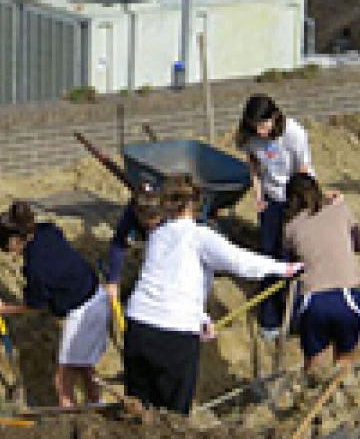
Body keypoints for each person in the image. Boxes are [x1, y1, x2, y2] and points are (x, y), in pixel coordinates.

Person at [124, 174, 303, 415]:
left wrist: (201, 319)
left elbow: (176, 280)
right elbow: (240, 262)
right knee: (172, 416)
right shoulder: (199, 236)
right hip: (173, 335)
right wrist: (285, 268)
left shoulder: (158, 235)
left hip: (138, 326)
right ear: (193, 204)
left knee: (138, 410)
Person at [0, 201, 109, 408]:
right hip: (95, 297)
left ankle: (69, 418)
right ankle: (96, 404)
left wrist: (2, 308)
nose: (6, 251)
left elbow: (35, 304)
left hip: (84, 313)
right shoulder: (44, 230)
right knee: (84, 365)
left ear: (16, 240)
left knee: (63, 379)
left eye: (7, 246)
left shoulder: (37, 267)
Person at [235, 94, 316, 338]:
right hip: (271, 199)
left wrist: (298, 206)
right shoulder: (249, 136)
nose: (260, 132)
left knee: (292, 257)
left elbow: (302, 171)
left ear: (275, 116)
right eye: (255, 127)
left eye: (264, 125)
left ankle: (295, 318)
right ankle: (269, 320)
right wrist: (258, 192)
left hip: (296, 198)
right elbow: (252, 161)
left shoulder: (294, 134)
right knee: (269, 257)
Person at [104, 181, 216, 341]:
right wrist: (113, 280)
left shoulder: (181, 219)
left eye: (154, 223)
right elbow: (118, 242)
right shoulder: (135, 207)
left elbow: (197, 270)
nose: (150, 227)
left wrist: (198, 313)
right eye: (146, 224)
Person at [283, 173, 360, 371]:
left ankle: (309, 395)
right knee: (345, 364)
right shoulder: (340, 210)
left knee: (313, 367)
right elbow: (357, 242)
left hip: (313, 301)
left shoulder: (290, 228)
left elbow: (291, 263)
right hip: (345, 297)